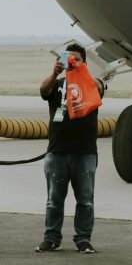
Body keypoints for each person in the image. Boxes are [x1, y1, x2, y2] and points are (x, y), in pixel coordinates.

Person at [36, 43, 105, 254]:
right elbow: (43, 90)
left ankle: (83, 239)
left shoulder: (91, 85)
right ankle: (51, 238)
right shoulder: (57, 84)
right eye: (69, 58)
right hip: (57, 151)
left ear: (84, 61)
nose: (72, 62)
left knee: (85, 200)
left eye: (76, 58)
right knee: (54, 200)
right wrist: (54, 72)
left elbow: (100, 88)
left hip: (84, 152)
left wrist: (81, 70)